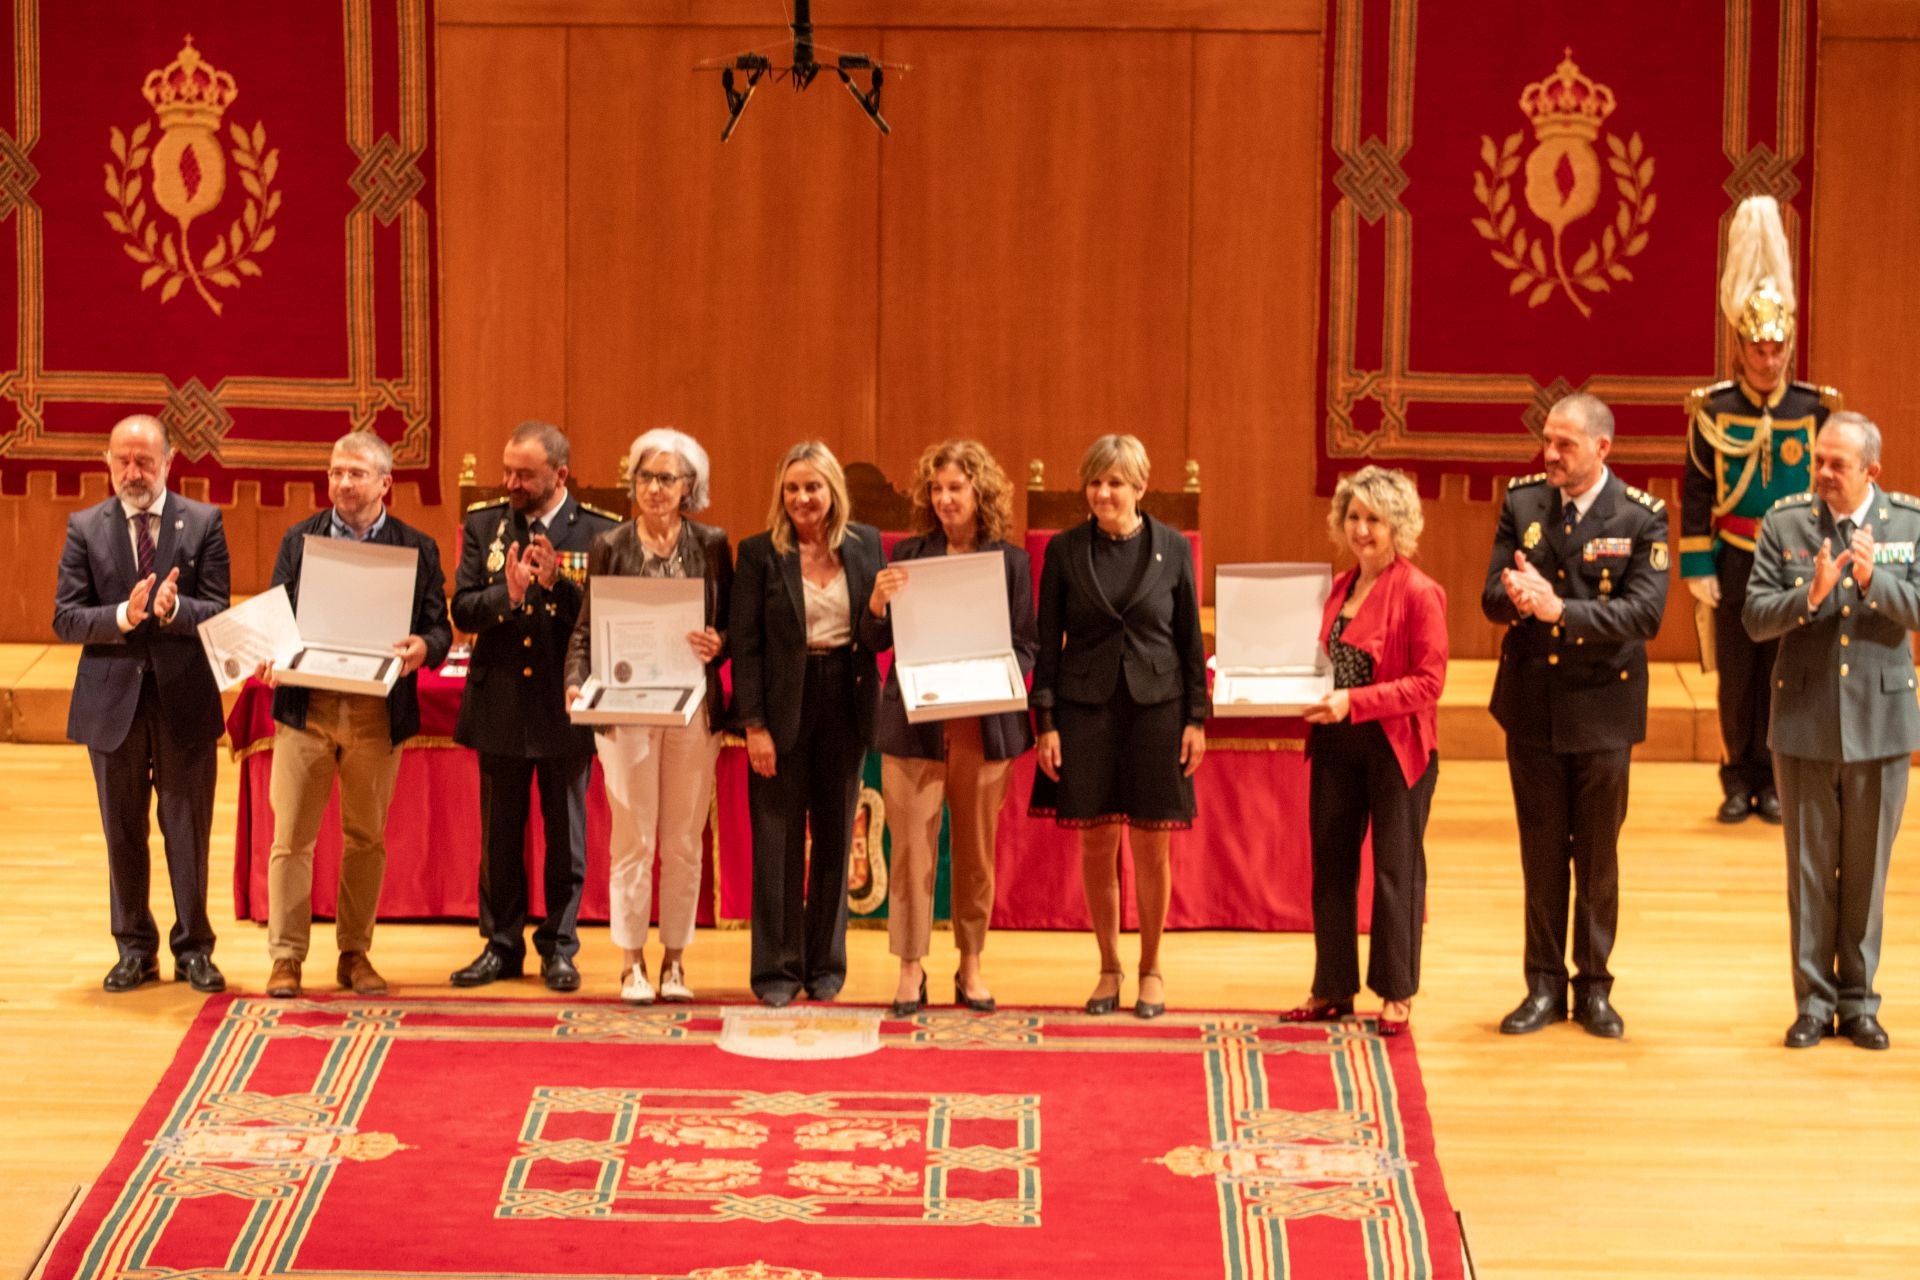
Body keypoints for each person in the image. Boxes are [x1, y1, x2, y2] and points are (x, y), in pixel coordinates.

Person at [1481, 392, 1668, 1039]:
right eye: (1548, 441)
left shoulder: (1643, 517)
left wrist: (1561, 610)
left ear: (1602, 448)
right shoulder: (1524, 502)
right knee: (1540, 853)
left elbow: (1644, 616)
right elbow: (1489, 596)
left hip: (1602, 710)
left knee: (1595, 855)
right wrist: (1514, 596)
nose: (1550, 454)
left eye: (1565, 444)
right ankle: (1541, 986)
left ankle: (1594, 986)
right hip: (1532, 706)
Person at [1742, 412, 1919, 1051]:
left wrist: (1876, 582)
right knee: (1811, 871)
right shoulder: (1786, 522)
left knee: (1867, 873)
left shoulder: (1908, 523)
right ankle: (1813, 1003)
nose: (1822, 474)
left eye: (1837, 464)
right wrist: (1808, 597)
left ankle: (1860, 1003)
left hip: (1880, 723)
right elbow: (1756, 618)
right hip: (1806, 721)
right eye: (1818, 461)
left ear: (1872, 469)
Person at [258, 432, 451, 998]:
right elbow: (276, 618)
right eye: (336, 471)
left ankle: (354, 953)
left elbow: (439, 626)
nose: (343, 482)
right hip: (307, 709)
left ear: (384, 483)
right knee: (291, 839)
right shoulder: (300, 539)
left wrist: (424, 648)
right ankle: (286, 957)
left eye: (356, 473)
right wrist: (270, 654)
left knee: (365, 837)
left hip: (374, 713)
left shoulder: (417, 546)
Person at [1031, 434, 1208, 1019]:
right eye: (1095, 481)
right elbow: (1046, 645)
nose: (1103, 492)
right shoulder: (1064, 550)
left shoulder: (1174, 549)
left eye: (1115, 482)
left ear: (1139, 487)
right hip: (1085, 712)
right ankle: (1108, 966)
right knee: (1098, 842)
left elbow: (1188, 641)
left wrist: (1196, 720)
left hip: (1159, 709)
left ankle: (1152, 968)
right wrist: (1047, 722)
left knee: (1151, 846)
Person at [53, 415, 231, 994]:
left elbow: (219, 611)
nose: (133, 472)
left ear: (168, 463)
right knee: (123, 830)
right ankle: (134, 947)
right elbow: (66, 617)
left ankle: (194, 948)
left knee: (187, 829)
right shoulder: (85, 527)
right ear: (107, 462)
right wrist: (124, 617)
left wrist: (176, 611)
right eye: (123, 461)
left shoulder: (203, 522)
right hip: (113, 705)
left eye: (145, 462)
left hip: (183, 700)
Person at [861, 440, 1037, 1016]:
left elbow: (1027, 647)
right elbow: (874, 642)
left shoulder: (1009, 562)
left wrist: (992, 676)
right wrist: (878, 605)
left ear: (979, 492)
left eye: (955, 488)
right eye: (936, 489)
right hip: (915, 723)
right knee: (911, 849)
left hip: (983, 727)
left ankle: (971, 965)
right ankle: (911, 969)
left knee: (975, 853)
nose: (944, 499)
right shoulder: (908, 556)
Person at [1682, 195, 1842, 823]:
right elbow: (1696, 491)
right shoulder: (1714, 411)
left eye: (1777, 349)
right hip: (1736, 560)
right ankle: (1735, 778)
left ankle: (1775, 779)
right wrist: (1698, 565)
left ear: (1788, 347)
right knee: (1738, 676)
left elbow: (1830, 489)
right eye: (1758, 349)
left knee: (1787, 672)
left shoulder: (1814, 409)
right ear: (1740, 347)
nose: (1768, 360)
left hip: (1800, 560)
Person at [449, 421, 619, 993]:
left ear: (560, 475)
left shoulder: (599, 532)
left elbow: (604, 621)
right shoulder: (485, 524)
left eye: (524, 474)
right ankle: (500, 945)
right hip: (499, 700)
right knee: (499, 835)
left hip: (562, 704)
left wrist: (560, 588)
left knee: (565, 835)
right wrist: (511, 595)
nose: (511, 482)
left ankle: (559, 947)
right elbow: (464, 611)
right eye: (507, 472)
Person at [565, 428, 731, 1004]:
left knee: (683, 840)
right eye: (644, 477)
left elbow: (730, 626)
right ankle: (631, 961)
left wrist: (720, 642)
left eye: (666, 478)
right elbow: (587, 627)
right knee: (634, 837)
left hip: (690, 711)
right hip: (627, 708)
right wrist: (573, 683)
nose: (654, 488)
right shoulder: (610, 544)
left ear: (690, 487)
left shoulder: (712, 544)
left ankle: (676, 962)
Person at [1283, 466, 1447, 1037]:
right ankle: (1332, 985)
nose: (1362, 530)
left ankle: (1397, 992)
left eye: (1374, 519)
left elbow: (1429, 684)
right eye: (1353, 517)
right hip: (1335, 742)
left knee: (1395, 870)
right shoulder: (1338, 586)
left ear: (1396, 524)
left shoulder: (1421, 593)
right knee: (1331, 866)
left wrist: (1353, 701)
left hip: (1396, 747)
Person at [730, 441, 884, 1007]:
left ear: (832, 492)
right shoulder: (758, 554)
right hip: (779, 708)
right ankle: (776, 970)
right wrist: (754, 726)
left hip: (845, 698)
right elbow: (744, 647)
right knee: (776, 839)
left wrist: (876, 612)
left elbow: (877, 639)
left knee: (836, 838)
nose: (802, 499)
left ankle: (824, 965)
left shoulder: (865, 546)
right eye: (792, 489)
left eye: (812, 487)